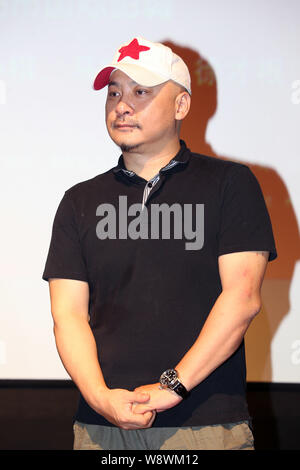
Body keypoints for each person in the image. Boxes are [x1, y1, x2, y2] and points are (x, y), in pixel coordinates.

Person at [42, 37, 277, 451]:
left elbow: (242, 299)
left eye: (141, 92)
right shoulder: (79, 201)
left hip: (204, 426)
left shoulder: (229, 185)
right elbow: (68, 315)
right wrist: (100, 398)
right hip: (101, 428)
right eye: (113, 92)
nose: (122, 105)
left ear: (181, 106)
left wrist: (173, 387)